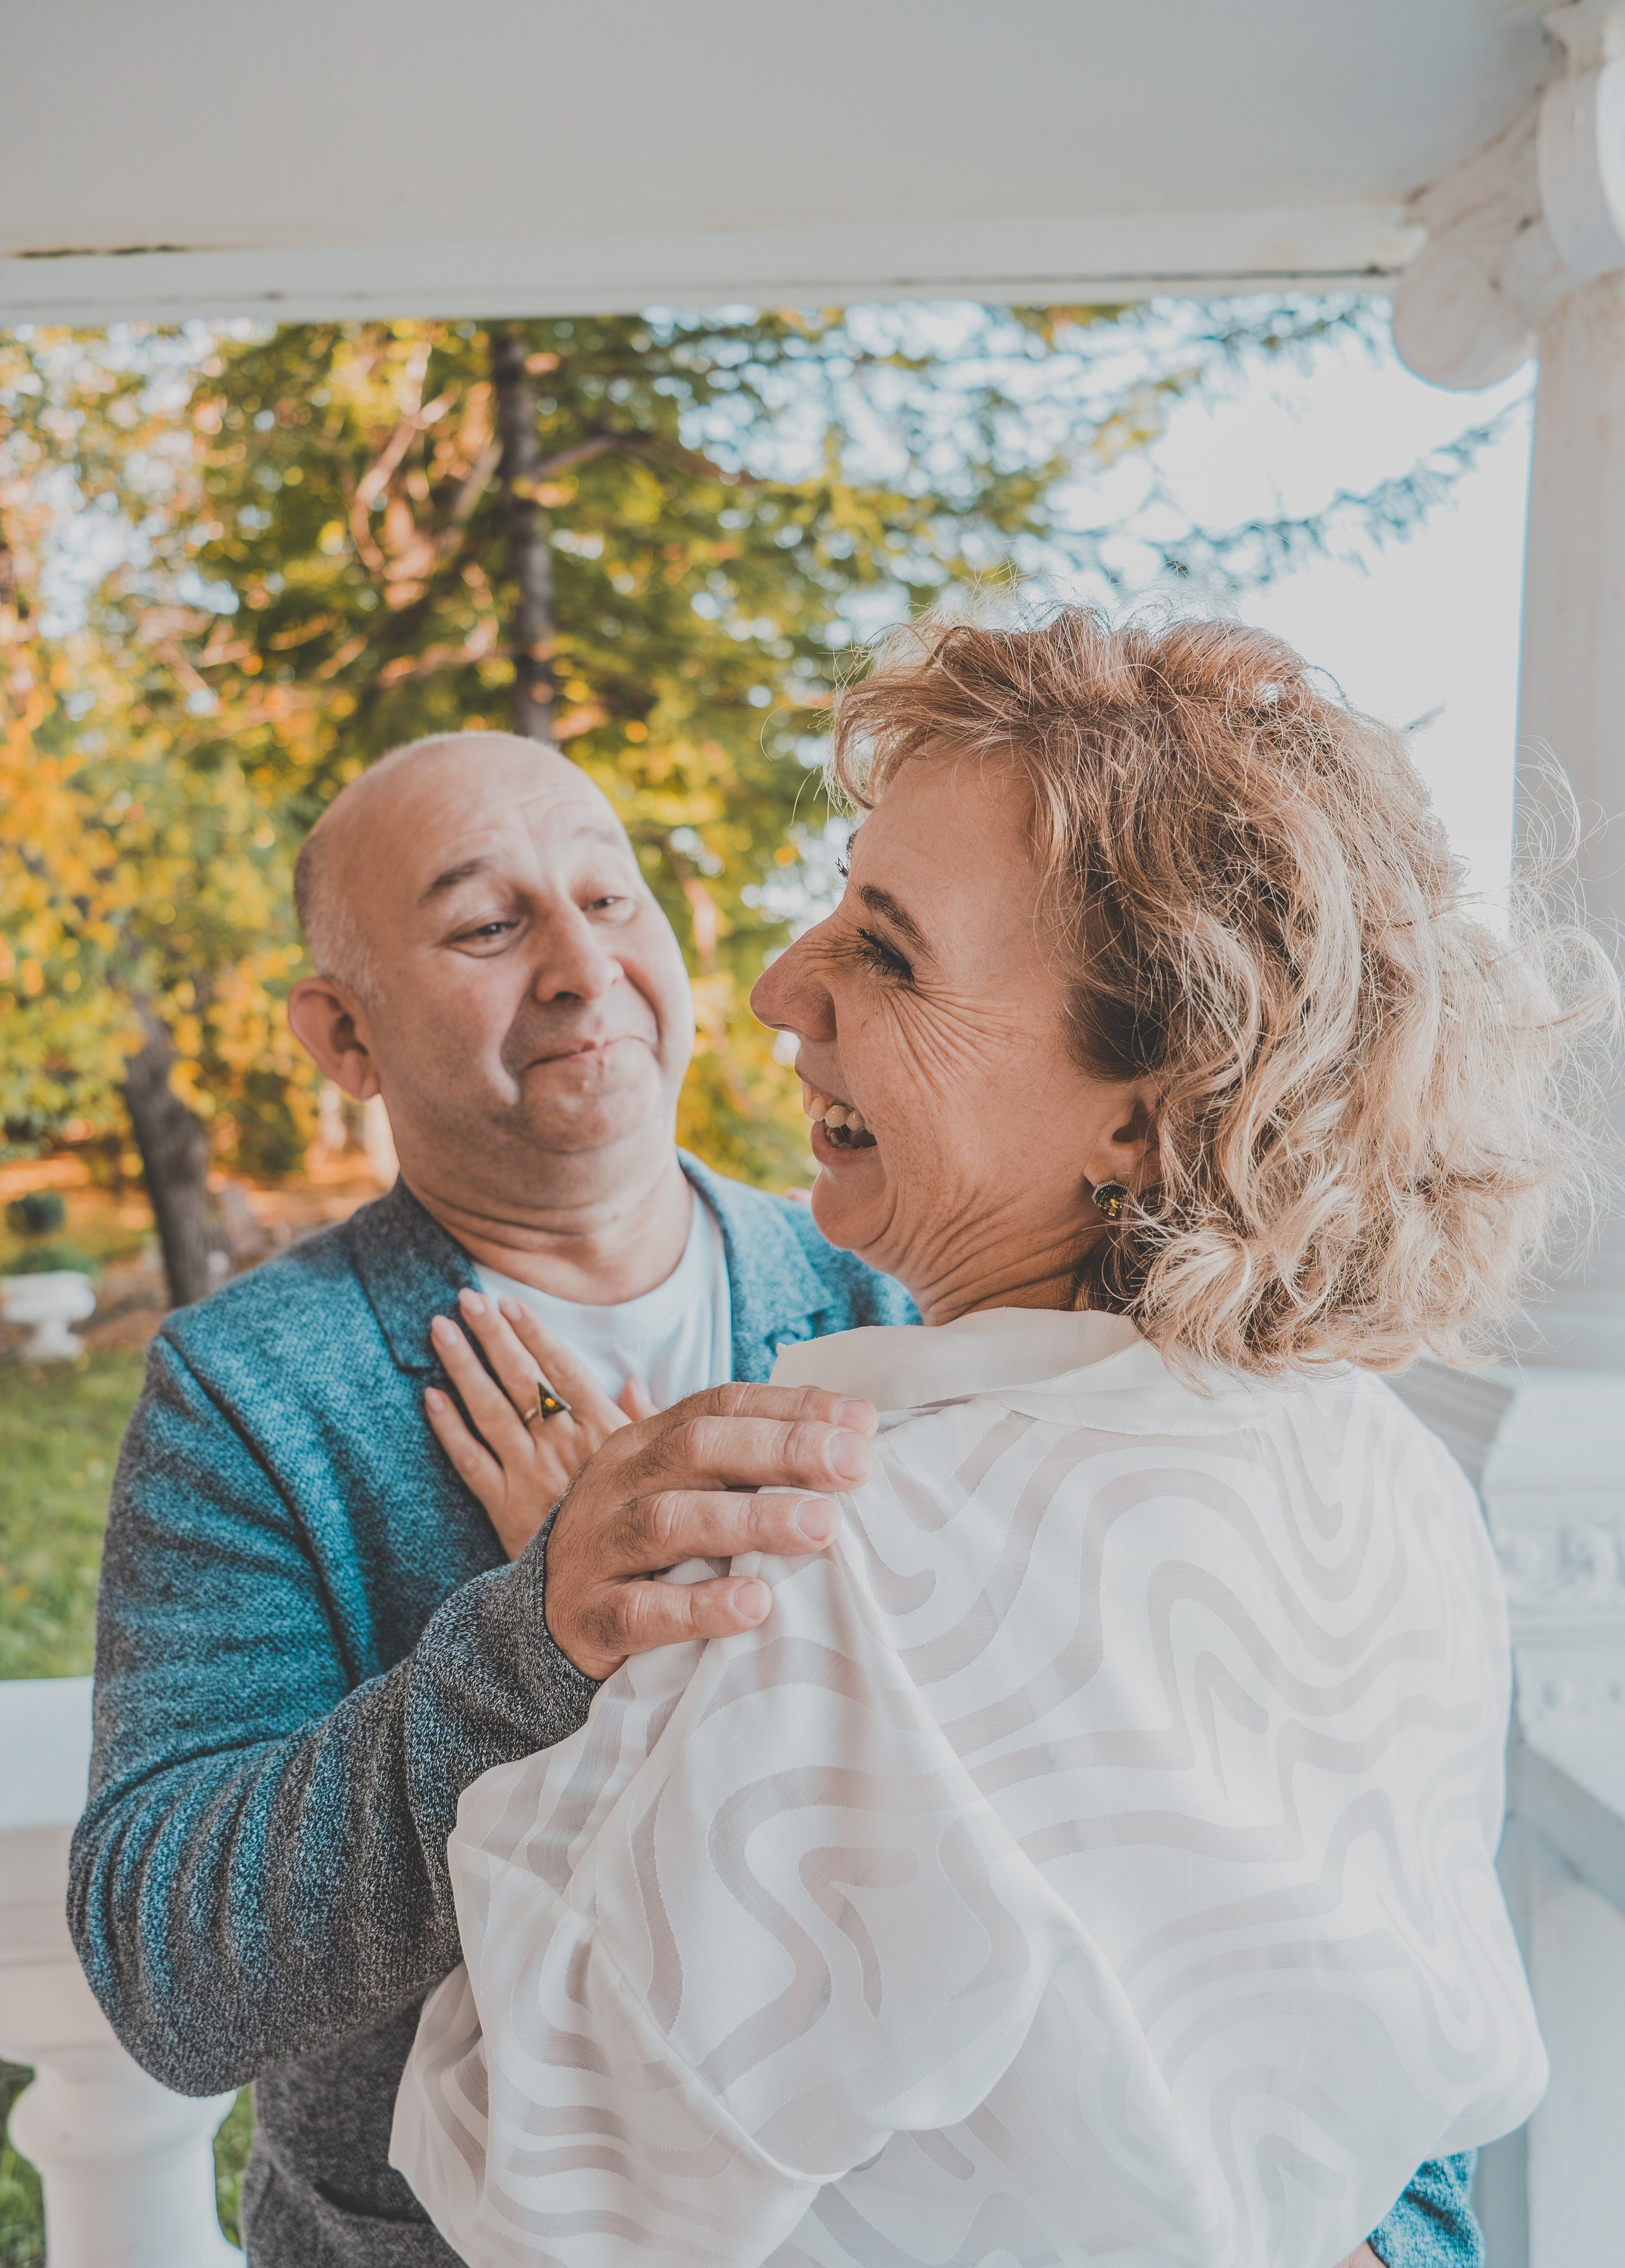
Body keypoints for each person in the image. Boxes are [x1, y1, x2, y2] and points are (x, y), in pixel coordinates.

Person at [392, 612, 1613, 2267]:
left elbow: (537, 2186)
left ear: (1148, 1101)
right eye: (841, 898)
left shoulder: (835, 1567)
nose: (776, 987)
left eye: (888, 950)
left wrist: (605, 1666)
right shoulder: (1386, 1469)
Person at [67, 734, 912, 2265]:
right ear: (343, 1034)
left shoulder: (894, 1304)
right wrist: (545, 1632)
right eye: (486, 925)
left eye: (611, 898)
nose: (585, 968)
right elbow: (168, 1964)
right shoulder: (252, 1392)